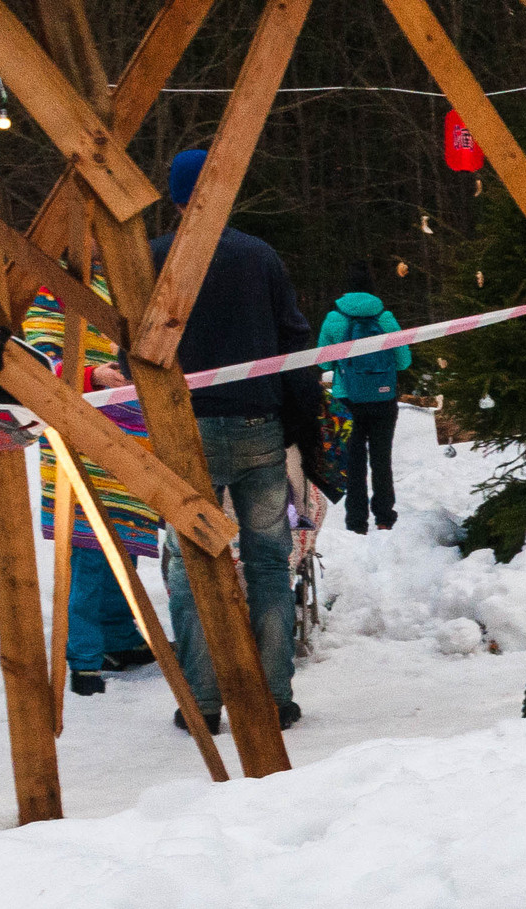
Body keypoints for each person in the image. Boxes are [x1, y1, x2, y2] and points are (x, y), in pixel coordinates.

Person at [149, 147, 313, 733]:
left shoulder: (154, 258)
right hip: (257, 428)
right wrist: (302, 418)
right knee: (269, 559)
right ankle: (275, 695)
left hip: (183, 431)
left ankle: (203, 701)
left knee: (190, 562)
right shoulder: (259, 256)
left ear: (173, 197)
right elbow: (295, 337)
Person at [22, 276, 160, 695]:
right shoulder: (52, 288)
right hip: (81, 438)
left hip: (134, 436)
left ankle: (120, 638)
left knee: (126, 539)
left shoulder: (131, 278)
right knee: (88, 548)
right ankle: (82, 657)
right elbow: (35, 365)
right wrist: (90, 374)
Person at [318, 262, 410, 534]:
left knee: (354, 462)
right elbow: (404, 361)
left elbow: (323, 364)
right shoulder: (386, 318)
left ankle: (356, 522)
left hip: (347, 399)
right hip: (383, 400)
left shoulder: (334, 319)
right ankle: (384, 517)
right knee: (382, 459)